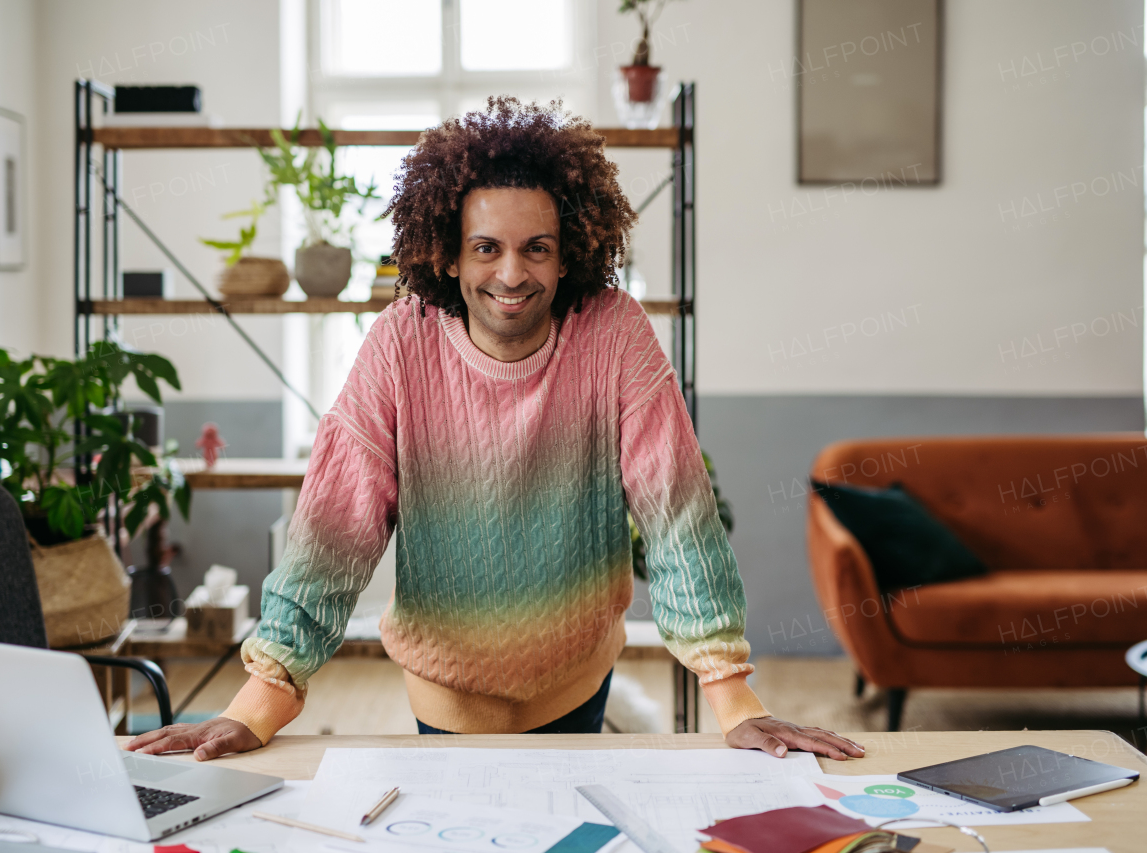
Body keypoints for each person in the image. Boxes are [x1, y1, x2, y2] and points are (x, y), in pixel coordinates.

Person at [127, 97, 864, 762]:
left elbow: (677, 511)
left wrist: (734, 700)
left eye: (536, 247)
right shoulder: (400, 343)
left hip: (578, 676)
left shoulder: (612, 332)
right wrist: (260, 702)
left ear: (569, 250)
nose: (512, 273)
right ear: (446, 252)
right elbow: (333, 529)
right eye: (487, 247)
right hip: (446, 689)